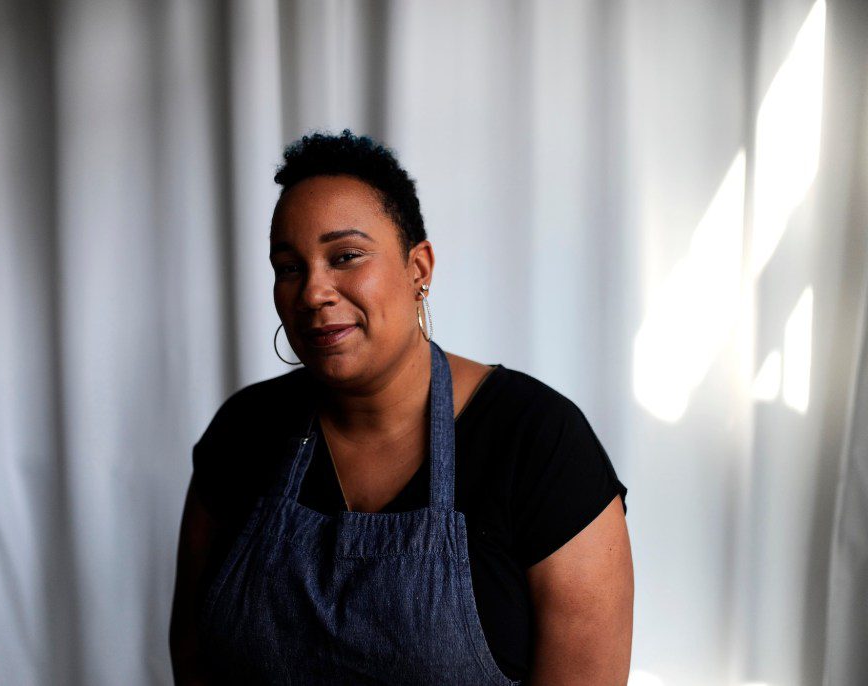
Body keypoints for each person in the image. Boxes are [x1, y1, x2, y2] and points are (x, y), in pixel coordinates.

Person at [169, 129, 633, 685]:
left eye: (346, 256)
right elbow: (193, 655)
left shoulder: (539, 444)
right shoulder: (242, 432)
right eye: (289, 267)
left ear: (419, 269)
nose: (313, 292)